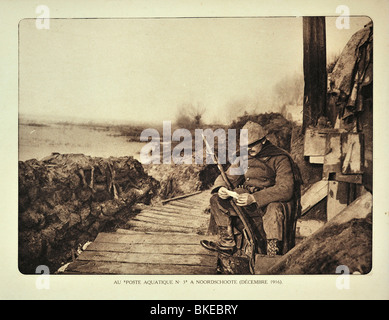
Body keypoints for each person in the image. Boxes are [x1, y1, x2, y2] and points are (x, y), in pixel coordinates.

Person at [200, 121, 302, 257]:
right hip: (247, 198)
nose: (248, 149)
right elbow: (229, 176)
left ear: (264, 140)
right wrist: (222, 188)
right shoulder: (243, 157)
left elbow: (285, 189)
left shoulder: (280, 158)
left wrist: (254, 198)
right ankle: (228, 241)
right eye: (245, 146)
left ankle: (272, 250)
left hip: (269, 201)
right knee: (216, 199)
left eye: (252, 145)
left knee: (274, 209)